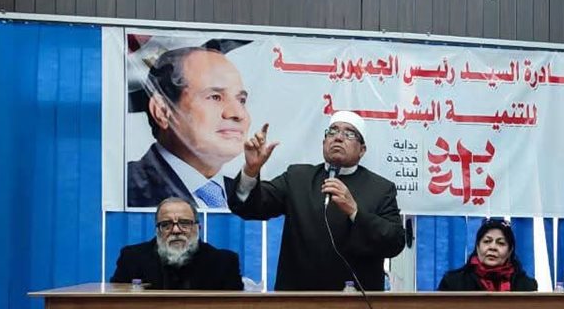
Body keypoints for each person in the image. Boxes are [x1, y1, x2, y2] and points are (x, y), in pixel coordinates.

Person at [225, 111, 405, 291]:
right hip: (299, 301)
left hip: (356, 302)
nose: (338, 138)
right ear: (324, 142)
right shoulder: (298, 178)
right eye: (332, 131)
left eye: (349, 134)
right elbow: (250, 207)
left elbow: (394, 242)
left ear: (362, 150)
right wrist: (251, 171)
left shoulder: (380, 189)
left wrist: (354, 212)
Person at [127, 46, 251, 208]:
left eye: (241, 100)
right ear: (162, 111)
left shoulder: (251, 197)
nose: (238, 114)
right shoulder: (123, 188)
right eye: (215, 97)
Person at [110, 197, 244, 290]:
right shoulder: (132, 258)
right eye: (166, 225)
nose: (175, 230)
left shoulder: (224, 262)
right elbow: (115, 305)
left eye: (184, 223)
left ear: (198, 228)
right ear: (157, 230)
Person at [437, 219, 538, 292]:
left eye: (501, 243)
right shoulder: (452, 283)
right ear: (477, 247)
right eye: (487, 241)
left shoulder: (526, 286)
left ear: (510, 251)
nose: (492, 247)